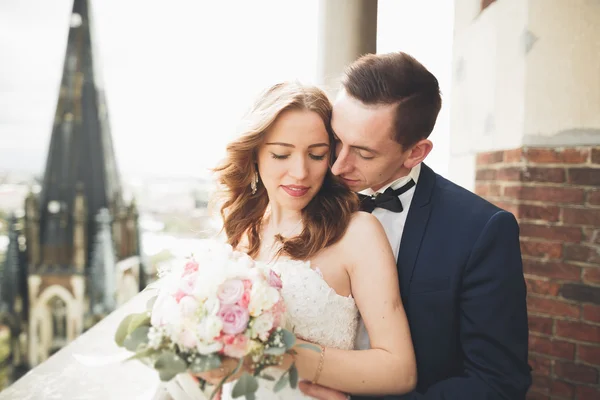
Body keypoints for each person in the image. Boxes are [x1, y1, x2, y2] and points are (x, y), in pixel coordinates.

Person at [298, 52, 532, 400]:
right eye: (336, 140)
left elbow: (497, 381)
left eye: (364, 152)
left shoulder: (480, 231)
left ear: (415, 152)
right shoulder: (302, 194)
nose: (337, 165)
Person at [206, 81, 417, 399]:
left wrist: (277, 354)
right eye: (281, 154)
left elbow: (399, 371)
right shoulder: (238, 231)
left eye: (317, 155)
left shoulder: (357, 233)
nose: (300, 172)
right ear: (254, 156)